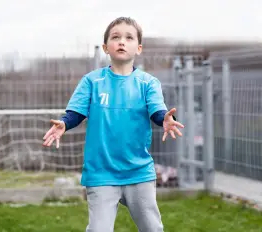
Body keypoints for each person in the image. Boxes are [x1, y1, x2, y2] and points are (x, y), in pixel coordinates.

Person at [43, 16, 184, 232]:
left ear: (138, 48)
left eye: (128, 38)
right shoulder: (92, 81)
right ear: (105, 47)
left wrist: (165, 118)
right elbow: (75, 113)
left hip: (138, 172)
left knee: (153, 228)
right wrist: (64, 123)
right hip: (101, 173)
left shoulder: (148, 83)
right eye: (115, 37)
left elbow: (157, 110)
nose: (121, 41)